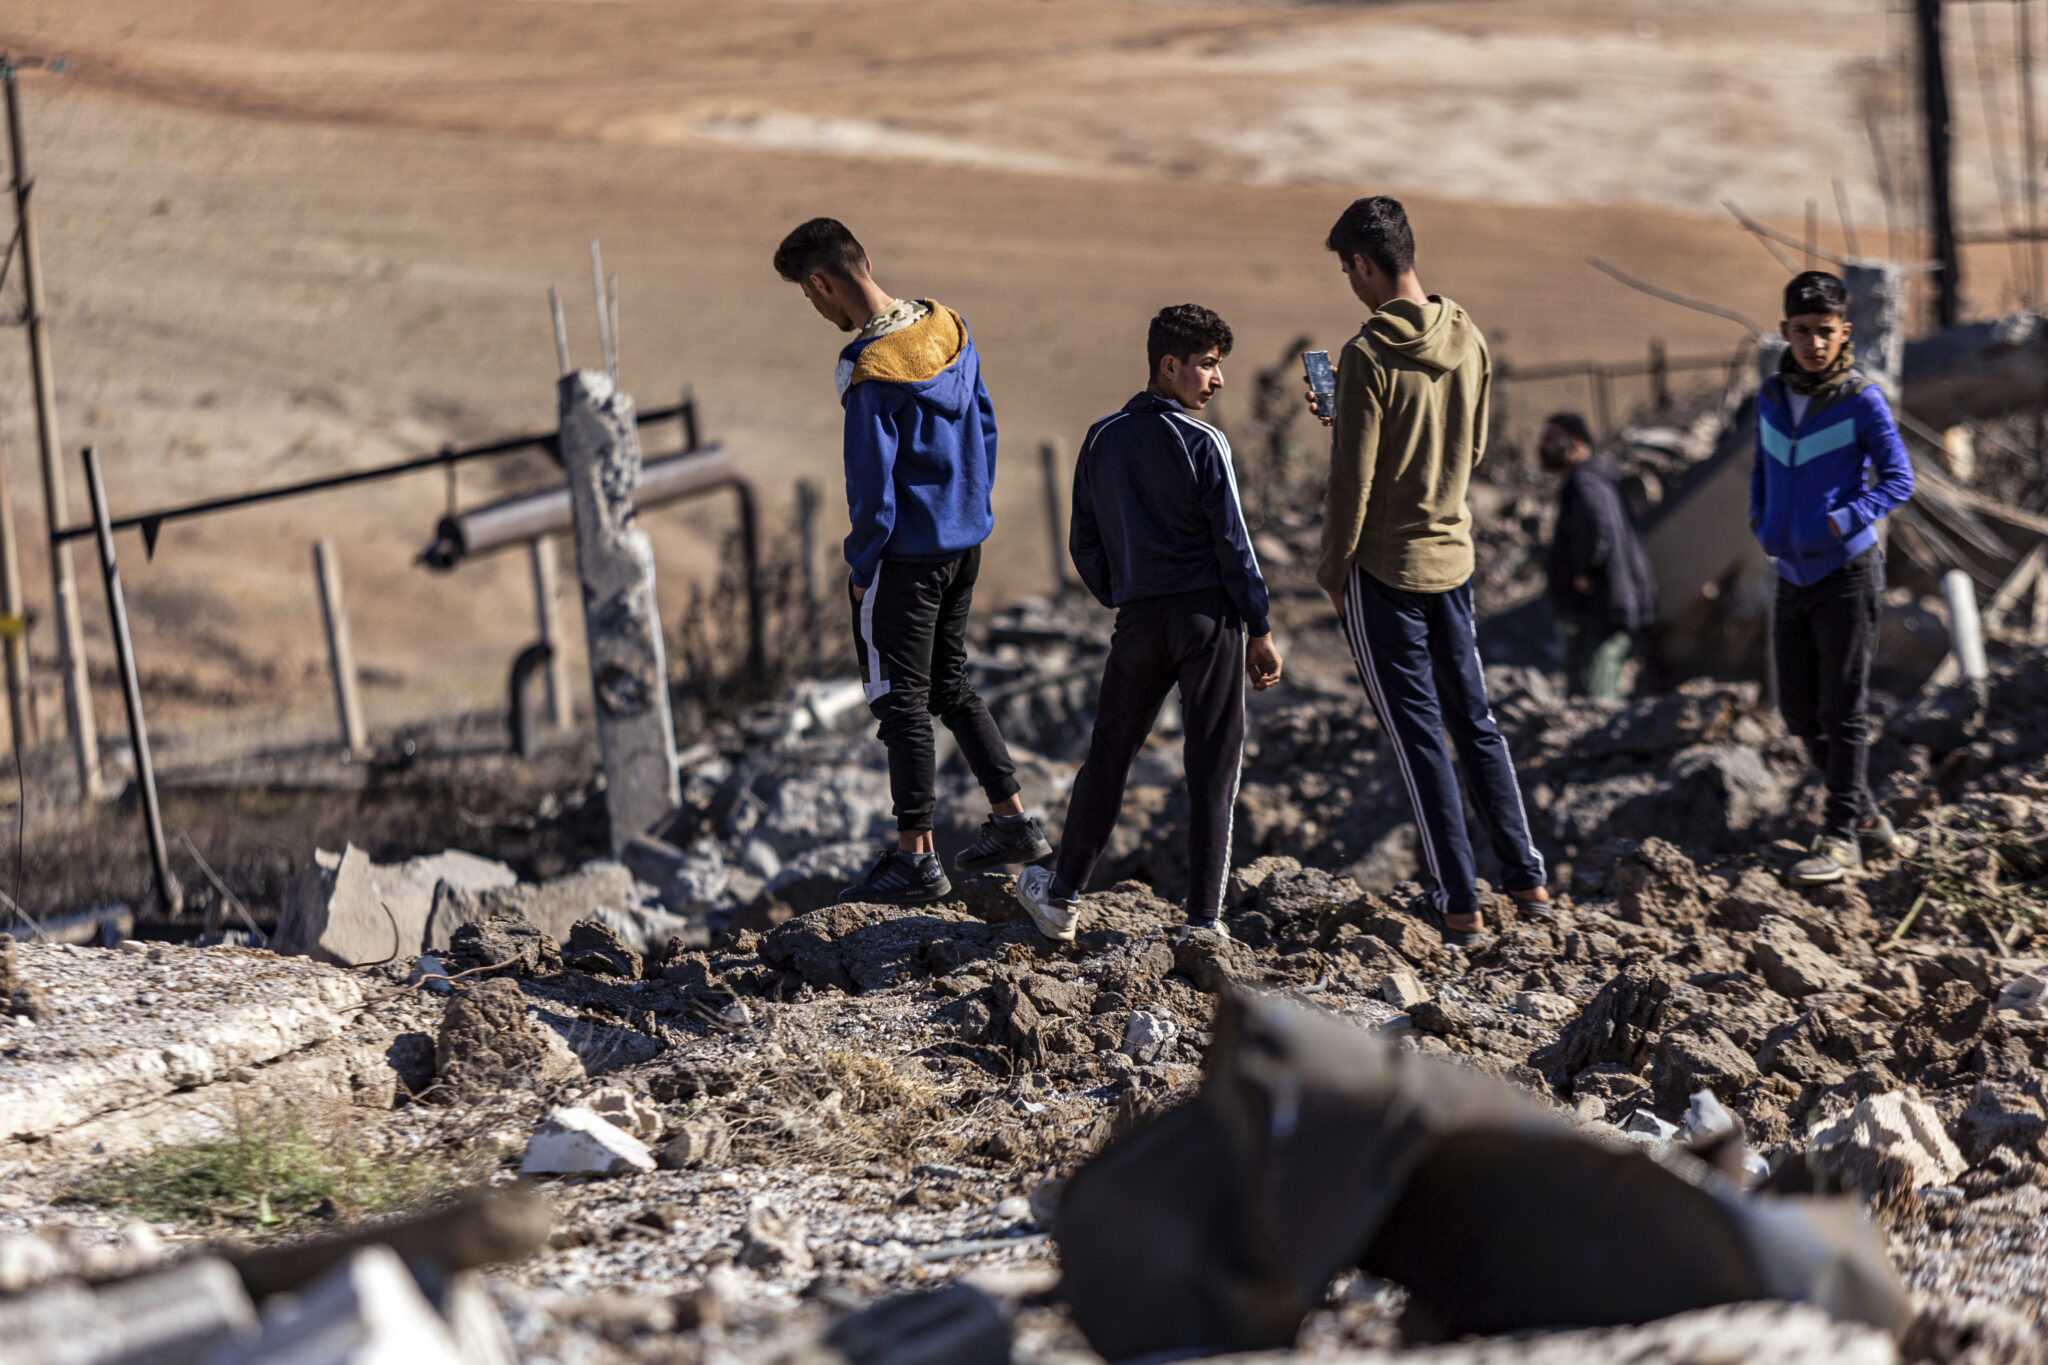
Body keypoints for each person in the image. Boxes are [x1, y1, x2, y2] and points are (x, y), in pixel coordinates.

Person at [773, 217, 1051, 904]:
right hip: (964, 543)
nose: (818, 312)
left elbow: (872, 489)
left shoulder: (871, 372)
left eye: (812, 299)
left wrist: (863, 565)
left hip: (907, 558)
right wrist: (967, 508)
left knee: (902, 701)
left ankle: (915, 857)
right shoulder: (949, 327)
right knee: (950, 684)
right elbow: (984, 422)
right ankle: (1015, 822)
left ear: (822, 281)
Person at [1311, 196, 1547, 944]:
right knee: (1475, 723)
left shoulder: (1368, 357)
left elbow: (1353, 482)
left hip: (1387, 569)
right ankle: (1527, 877)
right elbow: (1474, 449)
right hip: (1456, 556)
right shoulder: (1468, 332)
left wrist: (1331, 570)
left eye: (1350, 271)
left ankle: (1458, 901)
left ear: (1365, 266)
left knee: (1418, 739)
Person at [1014, 306, 1282, 942]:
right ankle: (1203, 923)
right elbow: (1234, 543)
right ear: (1170, 365)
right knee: (1212, 768)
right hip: (1207, 622)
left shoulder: (1102, 437)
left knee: (1108, 756)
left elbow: (1084, 541)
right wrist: (1261, 627)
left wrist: (1122, 592)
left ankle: (1061, 897)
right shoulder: (1203, 442)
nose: (1217, 381)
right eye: (1209, 366)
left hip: (1137, 621)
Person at [1752, 270, 1913, 886]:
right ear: (1785, 331)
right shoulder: (1771, 395)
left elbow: (1899, 479)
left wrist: (1846, 519)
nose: (1814, 344)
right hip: (1789, 573)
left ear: (1844, 332)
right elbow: (1762, 468)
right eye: (1802, 331)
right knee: (1798, 713)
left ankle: (1841, 835)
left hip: (1847, 571)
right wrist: (1760, 520)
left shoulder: (1859, 400)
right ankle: (1869, 817)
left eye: (1825, 332)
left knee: (1843, 710)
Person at [1539, 411, 1658, 700]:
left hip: (1599, 610)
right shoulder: (1598, 480)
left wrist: (1582, 573)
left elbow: (1597, 529)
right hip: (1606, 607)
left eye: (1552, 439)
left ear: (1576, 442)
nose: (1544, 447)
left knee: (1593, 698)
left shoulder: (1585, 484)